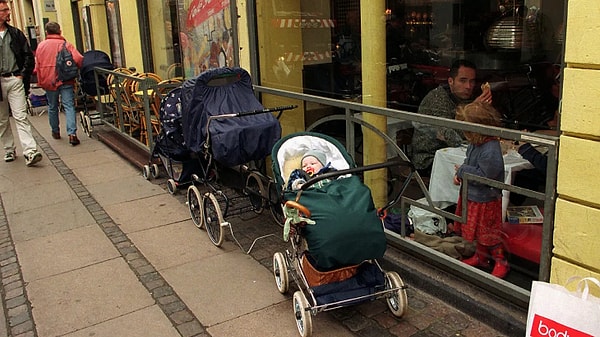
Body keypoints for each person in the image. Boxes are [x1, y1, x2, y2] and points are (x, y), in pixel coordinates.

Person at [452, 102, 508, 278]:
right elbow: (470, 164)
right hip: (474, 195)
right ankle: (481, 257)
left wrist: (462, 171)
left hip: (486, 199)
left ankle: (500, 261)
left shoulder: (490, 149)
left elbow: (485, 176)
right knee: (479, 232)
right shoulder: (476, 144)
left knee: (489, 233)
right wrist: (461, 175)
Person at [410, 59, 493, 176]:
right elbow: (453, 137)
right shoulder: (437, 99)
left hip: (457, 155)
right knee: (479, 171)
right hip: (429, 159)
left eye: (472, 81)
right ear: (451, 81)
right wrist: (472, 111)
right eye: (463, 81)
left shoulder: (467, 98)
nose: (468, 86)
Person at [0, 1, 43, 166]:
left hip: (15, 79)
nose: (7, 12)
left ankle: (30, 151)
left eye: (7, 9)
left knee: (20, 116)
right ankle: (9, 149)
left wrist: (22, 75)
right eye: (4, 10)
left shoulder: (15, 34)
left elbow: (28, 56)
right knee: (2, 119)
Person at [34, 21, 83, 146]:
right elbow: (78, 59)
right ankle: (72, 134)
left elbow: (36, 65)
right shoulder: (66, 45)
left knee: (52, 106)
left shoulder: (41, 46)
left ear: (46, 32)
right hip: (65, 79)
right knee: (69, 106)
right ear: (59, 31)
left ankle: (55, 131)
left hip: (48, 81)